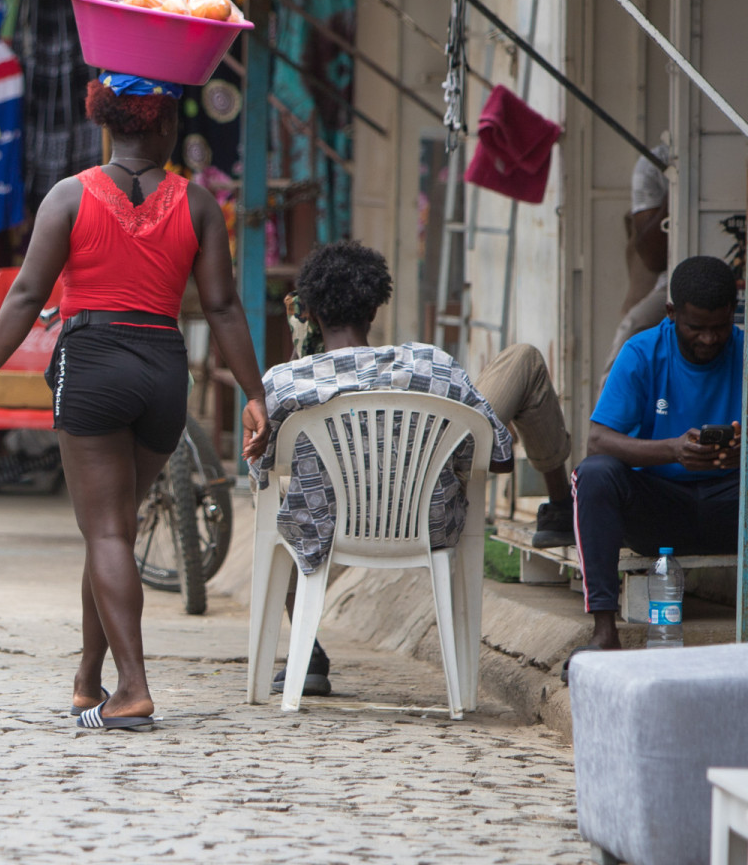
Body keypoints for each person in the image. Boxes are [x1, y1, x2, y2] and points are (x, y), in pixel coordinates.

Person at [0, 73, 269, 731]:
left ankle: (132, 690)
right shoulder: (199, 204)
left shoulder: (69, 197)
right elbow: (221, 306)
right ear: (163, 129)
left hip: (93, 364)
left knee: (106, 533)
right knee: (112, 530)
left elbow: (24, 296)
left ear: (108, 126)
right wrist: (255, 393)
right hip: (163, 371)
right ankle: (88, 679)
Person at [262, 242, 549, 696]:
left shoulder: (282, 384)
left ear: (309, 313)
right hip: (428, 525)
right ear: (375, 310)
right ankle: (562, 504)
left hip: (327, 527)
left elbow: (263, 465)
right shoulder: (432, 365)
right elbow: (499, 457)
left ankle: (308, 652)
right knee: (522, 363)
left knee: (287, 496)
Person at [574, 254, 741, 652]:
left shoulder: (745, 349)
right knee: (594, 474)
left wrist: (743, 453)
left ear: (733, 311)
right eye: (696, 327)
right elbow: (598, 440)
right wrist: (672, 450)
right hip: (660, 509)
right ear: (671, 313)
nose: (709, 339)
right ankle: (603, 629)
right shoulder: (642, 352)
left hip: (733, 507)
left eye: (719, 327)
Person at [603, 148, 671, 378]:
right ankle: (605, 413)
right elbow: (652, 258)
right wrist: (674, 196)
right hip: (672, 280)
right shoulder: (655, 162)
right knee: (630, 330)